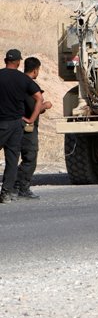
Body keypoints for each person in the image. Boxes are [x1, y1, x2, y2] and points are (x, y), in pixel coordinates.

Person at [0, 49, 42, 204]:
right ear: (18, 62)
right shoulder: (23, 79)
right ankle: (6, 193)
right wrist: (31, 119)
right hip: (16, 125)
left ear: (5, 61)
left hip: (1, 122)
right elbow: (39, 98)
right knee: (12, 160)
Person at [15, 57, 51, 200]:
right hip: (27, 126)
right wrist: (45, 106)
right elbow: (33, 107)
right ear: (35, 70)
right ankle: (22, 187)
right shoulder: (29, 84)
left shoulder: (16, 82)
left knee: (13, 157)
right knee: (30, 157)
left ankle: (12, 187)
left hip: (13, 124)